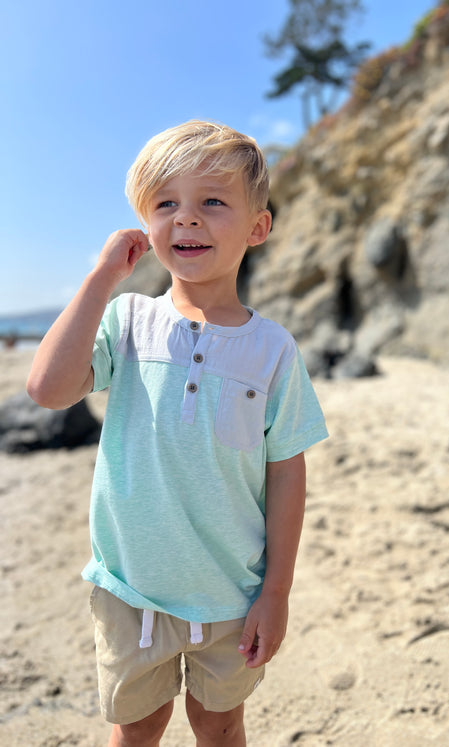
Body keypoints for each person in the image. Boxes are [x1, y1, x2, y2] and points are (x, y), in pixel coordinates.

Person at [27, 120, 328, 747]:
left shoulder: (272, 349)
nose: (186, 219)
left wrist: (277, 591)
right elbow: (48, 389)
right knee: (136, 727)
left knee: (219, 725)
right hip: (131, 585)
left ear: (258, 227)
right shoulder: (129, 319)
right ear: (146, 225)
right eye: (166, 204)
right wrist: (102, 278)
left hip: (230, 592)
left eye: (211, 202)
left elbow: (286, 470)